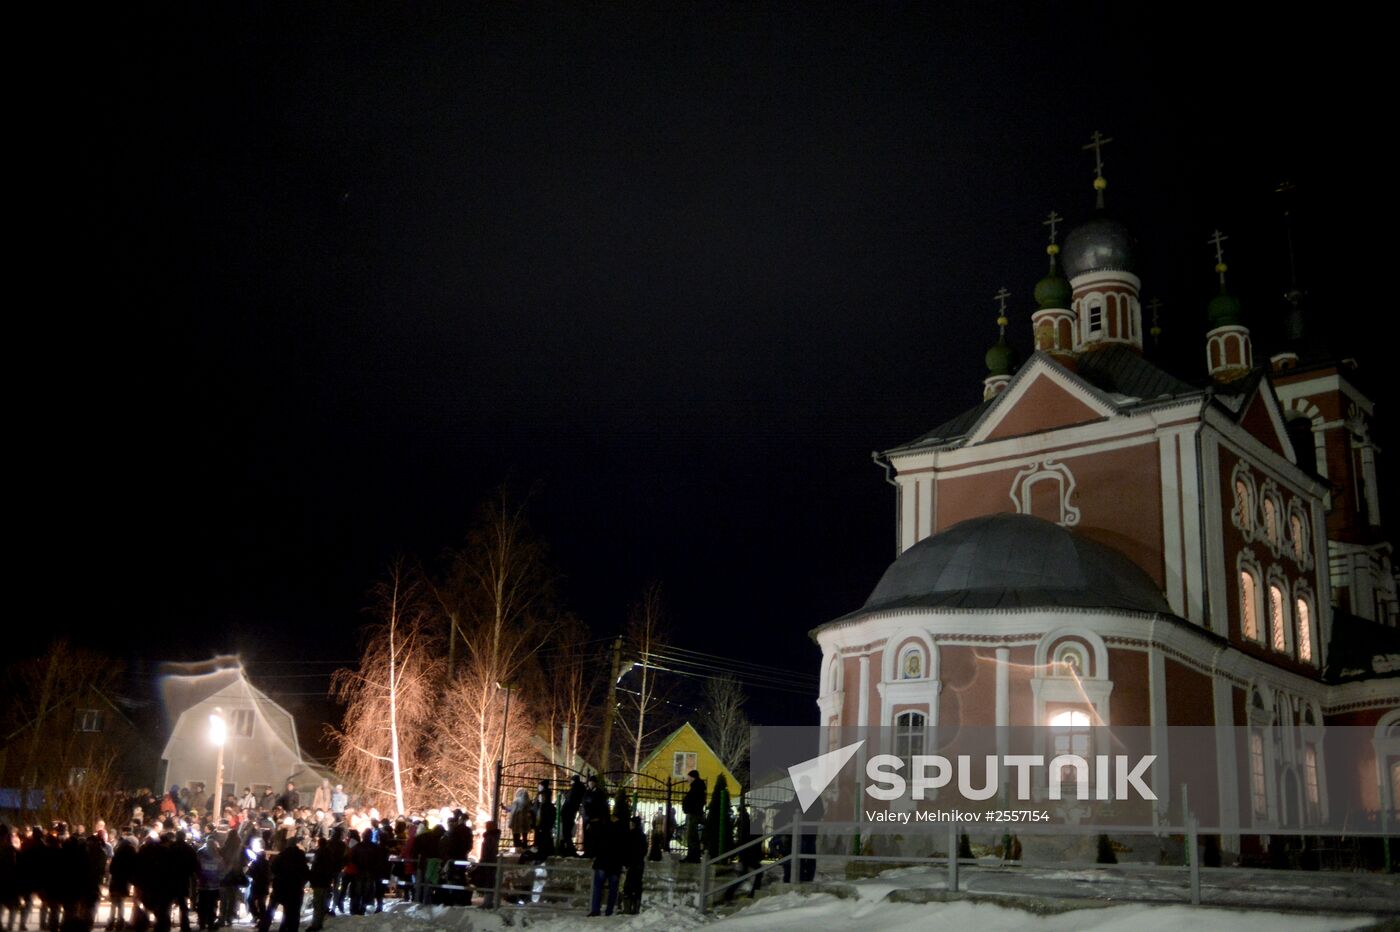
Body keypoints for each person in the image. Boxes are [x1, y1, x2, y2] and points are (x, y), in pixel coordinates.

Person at [304, 827, 345, 932]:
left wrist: (312, 878)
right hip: (330, 877)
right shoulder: (338, 847)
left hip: (320, 881)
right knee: (327, 897)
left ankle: (316, 924)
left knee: (318, 903)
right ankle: (324, 916)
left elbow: (316, 868)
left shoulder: (320, 853)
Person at [263, 839, 308, 932]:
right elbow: (305, 872)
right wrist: (301, 883)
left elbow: (273, 868)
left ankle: (264, 928)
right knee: (292, 913)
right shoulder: (300, 856)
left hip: (280, 886)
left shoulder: (282, 855)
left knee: (271, 910)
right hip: (295, 888)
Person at [586, 814, 624, 917]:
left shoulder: (603, 829)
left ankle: (595, 909)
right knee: (613, 889)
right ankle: (609, 910)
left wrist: (593, 855)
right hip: (615, 864)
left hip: (602, 862)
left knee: (598, 887)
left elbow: (596, 844)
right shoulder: (621, 832)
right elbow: (624, 849)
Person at [620, 815, 647, 915]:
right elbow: (644, 850)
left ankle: (627, 908)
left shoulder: (629, 835)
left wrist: (625, 862)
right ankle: (635, 908)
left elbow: (625, 850)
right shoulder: (642, 836)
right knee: (637, 886)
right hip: (639, 864)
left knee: (628, 886)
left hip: (631, 864)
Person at [469, 822, 500, 909]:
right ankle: (488, 901)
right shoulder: (492, 837)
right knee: (489, 881)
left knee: (488, 881)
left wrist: (483, 861)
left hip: (488, 862)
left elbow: (488, 851)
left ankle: (488, 901)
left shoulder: (490, 838)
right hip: (489, 861)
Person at [580, 777, 610, 859]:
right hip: (587, 818)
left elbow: (602, 807)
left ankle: (593, 853)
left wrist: (599, 817)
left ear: (595, 783)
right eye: (589, 782)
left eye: (592, 782)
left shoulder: (599, 793)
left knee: (594, 837)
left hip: (595, 819)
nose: (590, 784)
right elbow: (583, 804)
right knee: (587, 836)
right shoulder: (587, 792)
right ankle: (587, 852)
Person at [680, 770, 706, 863]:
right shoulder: (697, 787)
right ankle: (692, 856)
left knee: (692, 836)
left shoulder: (696, 787)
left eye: (688, 777)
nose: (687, 779)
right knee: (691, 836)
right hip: (693, 813)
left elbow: (695, 801)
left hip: (694, 814)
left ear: (692, 777)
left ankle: (693, 857)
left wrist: (688, 807)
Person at [557, 776, 584, 857]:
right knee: (567, 833)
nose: (570, 783)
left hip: (568, 813)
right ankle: (566, 850)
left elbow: (569, 798)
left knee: (566, 833)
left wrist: (564, 793)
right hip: (571, 813)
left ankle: (570, 851)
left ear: (574, 781)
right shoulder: (579, 789)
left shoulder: (575, 789)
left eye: (571, 781)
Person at [532, 782, 555, 862]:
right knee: (540, 837)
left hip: (543, 824)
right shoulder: (541, 804)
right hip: (539, 823)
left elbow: (549, 817)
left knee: (544, 838)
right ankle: (541, 852)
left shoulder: (547, 806)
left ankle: (543, 853)